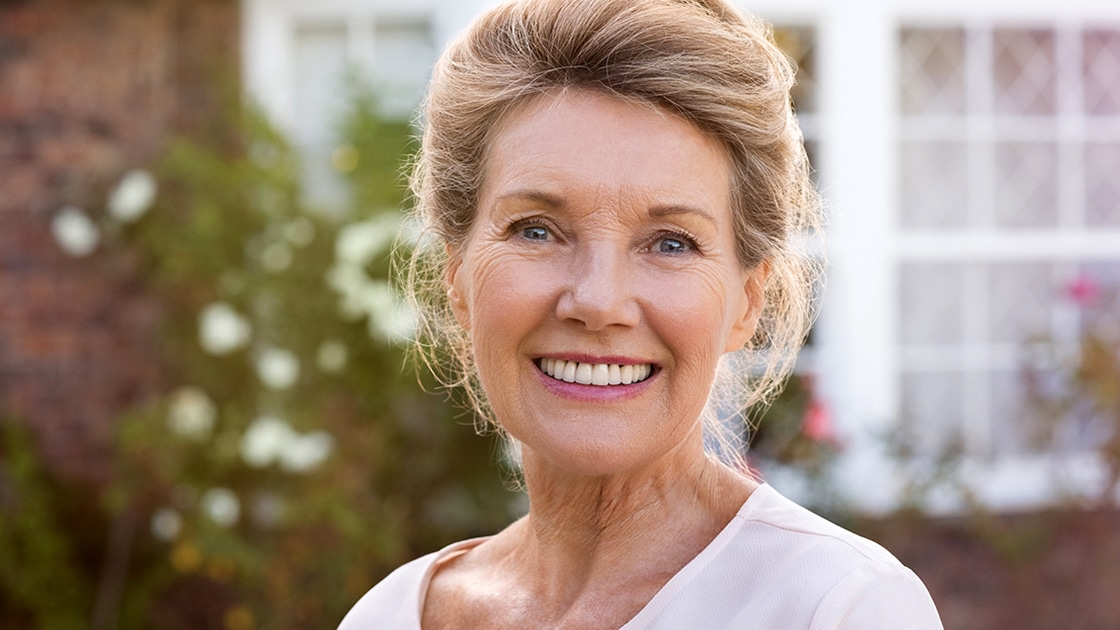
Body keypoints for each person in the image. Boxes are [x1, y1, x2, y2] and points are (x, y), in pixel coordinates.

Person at [340, 0, 944, 627]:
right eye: (537, 230)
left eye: (671, 243)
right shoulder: (388, 615)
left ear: (747, 302)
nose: (599, 302)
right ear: (457, 276)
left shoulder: (839, 606)